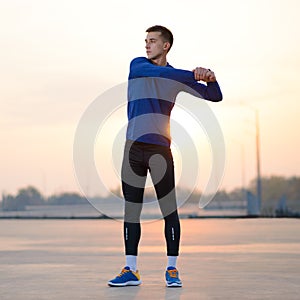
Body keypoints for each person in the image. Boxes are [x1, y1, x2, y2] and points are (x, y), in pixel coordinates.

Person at [108, 25, 222, 288]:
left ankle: (172, 269)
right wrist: (193, 74)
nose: (147, 45)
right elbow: (155, 72)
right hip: (133, 149)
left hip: (160, 151)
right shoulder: (138, 65)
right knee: (131, 210)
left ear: (165, 45)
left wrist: (211, 79)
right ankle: (131, 270)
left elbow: (215, 96)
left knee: (169, 210)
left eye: (152, 41)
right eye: (145, 40)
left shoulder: (174, 77)